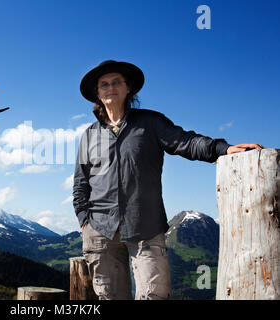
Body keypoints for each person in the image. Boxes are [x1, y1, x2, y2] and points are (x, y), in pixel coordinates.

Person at [73, 60, 264, 300]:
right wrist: (84, 221)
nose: (110, 87)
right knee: (109, 297)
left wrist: (222, 149)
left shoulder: (151, 123)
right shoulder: (89, 135)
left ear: (128, 88)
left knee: (155, 295)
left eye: (116, 82)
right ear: (97, 93)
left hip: (146, 226)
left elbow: (186, 142)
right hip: (100, 232)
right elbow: (81, 183)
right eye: (104, 84)